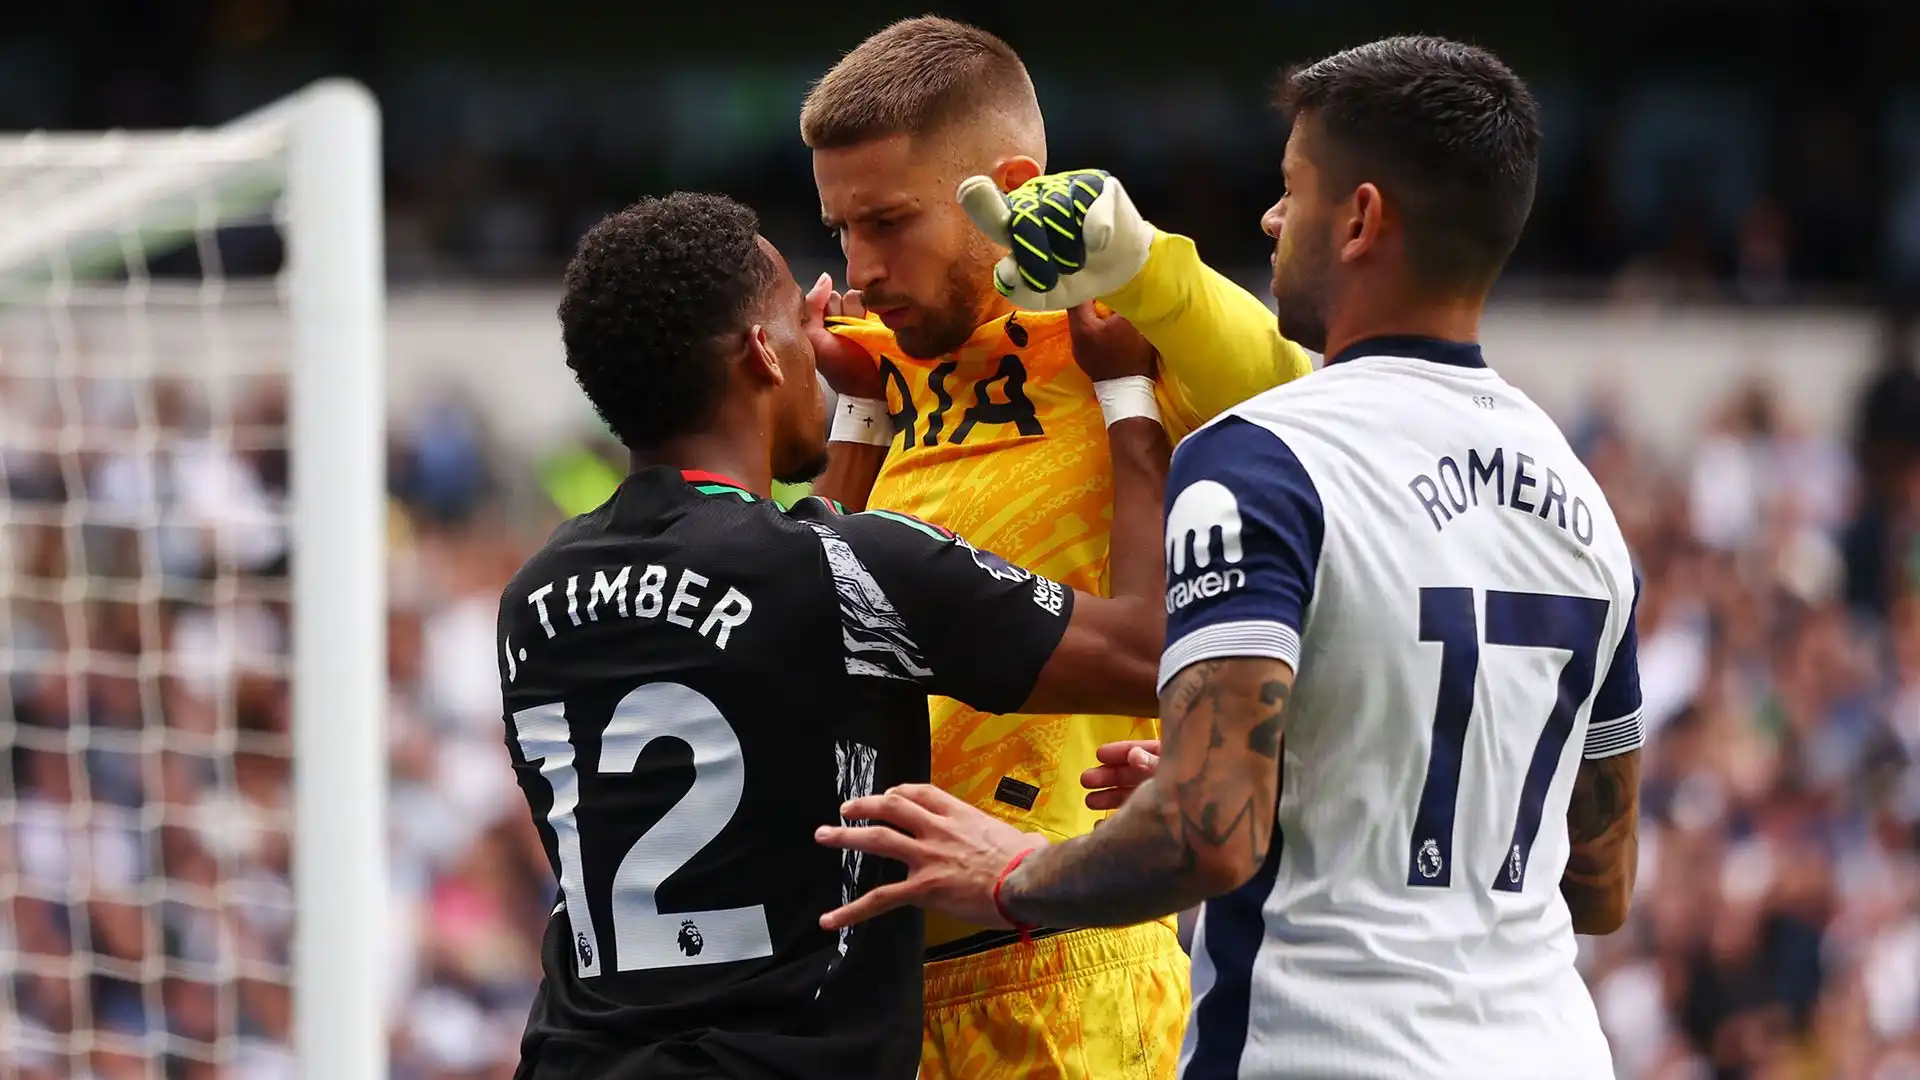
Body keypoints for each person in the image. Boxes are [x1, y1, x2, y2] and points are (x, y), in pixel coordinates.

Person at [818, 36, 1646, 1080]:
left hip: (1290, 1038)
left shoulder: (1259, 449)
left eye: (1289, 190)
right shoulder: (1583, 503)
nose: (1265, 218)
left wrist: (1009, 874)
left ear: (1361, 219)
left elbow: (1212, 836)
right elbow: (1598, 882)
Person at [497, 191, 1172, 1080]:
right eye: (796, 319)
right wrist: (1127, 391)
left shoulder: (535, 593)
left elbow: (792, 622)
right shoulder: (843, 570)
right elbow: (1147, 651)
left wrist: (856, 413)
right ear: (762, 354)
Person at [798, 17, 1315, 1077]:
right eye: (842, 228)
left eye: (890, 221)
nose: (863, 265)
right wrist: (855, 416)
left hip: (1058, 963)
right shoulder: (880, 365)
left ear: (1013, 182)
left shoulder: (1117, 331)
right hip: (870, 984)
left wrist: (1149, 277)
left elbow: (1305, 399)